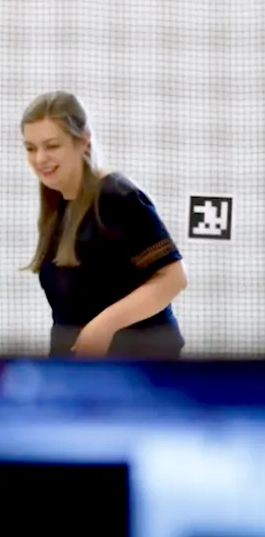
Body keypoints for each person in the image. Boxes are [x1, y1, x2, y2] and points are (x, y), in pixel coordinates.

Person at [21, 91, 188, 358]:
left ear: (83, 141)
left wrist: (103, 326)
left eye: (51, 146)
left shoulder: (117, 196)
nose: (40, 158)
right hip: (81, 370)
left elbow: (173, 279)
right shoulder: (58, 204)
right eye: (31, 148)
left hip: (139, 369)